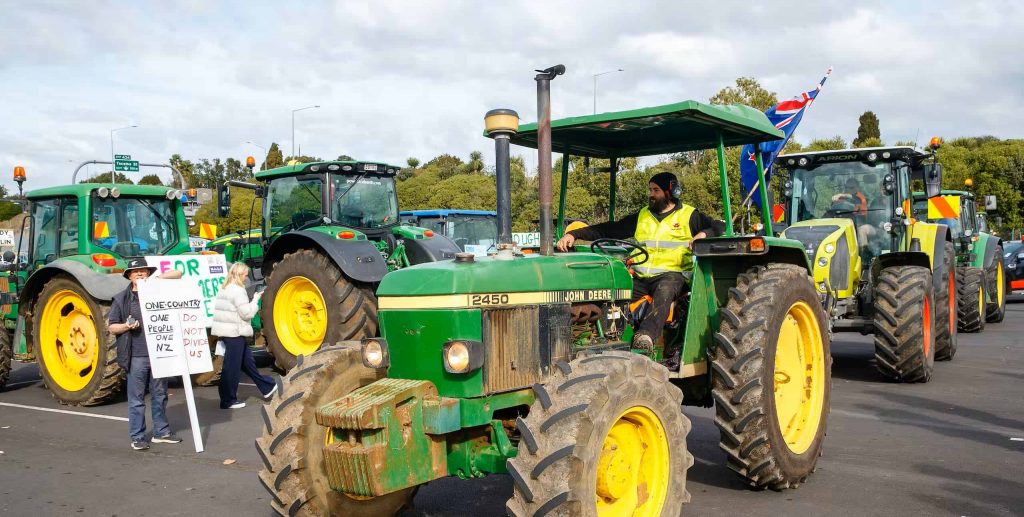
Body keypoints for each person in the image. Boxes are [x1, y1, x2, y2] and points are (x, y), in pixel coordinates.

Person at [555, 172, 720, 367]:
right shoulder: (642, 216)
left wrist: (702, 234)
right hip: (641, 277)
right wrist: (574, 234)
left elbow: (719, 226)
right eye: (650, 190)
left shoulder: (690, 215)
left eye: (656, 190)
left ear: (671, 192)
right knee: (614, 291)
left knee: (665, 290)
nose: (651, 194)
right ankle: (599, 339)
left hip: (673, 275)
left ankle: (645, 337)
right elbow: (608, 229)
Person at [109, 258, 182, 451]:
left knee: (160, 394)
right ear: (129, 276)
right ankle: (138, 436)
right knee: (137, 399)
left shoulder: (158, 290)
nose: (140, 274)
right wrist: (126, 326)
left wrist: (155, 279)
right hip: (137, 356)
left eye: (143, 271)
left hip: (159, 353)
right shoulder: (121, 299)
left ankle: (161, 432)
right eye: (135, 272)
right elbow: (112, 327)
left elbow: (179, 273)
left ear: (148, 274)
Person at [211, 263, 276, 409]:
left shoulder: (225, 288)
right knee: (232, 368)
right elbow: (247, 313)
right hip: (235, 332)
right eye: (245, 275)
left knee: (248, 364)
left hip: (228, 332)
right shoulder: (238, 291)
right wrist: (255, 299)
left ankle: (266, 387)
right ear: (239, 275)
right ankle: (228, 400)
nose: (246, 278)